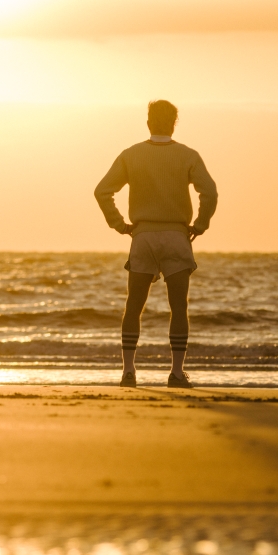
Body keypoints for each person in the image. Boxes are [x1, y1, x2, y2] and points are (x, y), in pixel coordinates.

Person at [94, 100, 218, 388]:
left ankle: (128, 371)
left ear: (148, 122)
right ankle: (176, 372)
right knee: (178, 307)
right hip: (176, 236)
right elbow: (209, 193)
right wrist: (200, 225)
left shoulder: (131, 155)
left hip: (143, 235)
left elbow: (102, 191)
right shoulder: (187, 155)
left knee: (134, 305)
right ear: (174, 124)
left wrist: (119, 224)